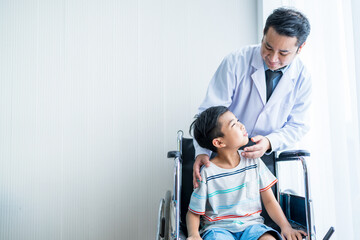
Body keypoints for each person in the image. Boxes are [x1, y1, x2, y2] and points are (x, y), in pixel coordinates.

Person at [193, 7, 312, 188]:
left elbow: (298, 125)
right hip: (224, 152)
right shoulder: (236, 61)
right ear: (263, 34)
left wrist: (270, 142)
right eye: (268, 47)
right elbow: (209, 112)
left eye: (283, 53)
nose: (272, 58)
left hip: (264, 157)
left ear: (300, 48)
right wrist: (202, 152)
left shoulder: (303, 78)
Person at [187, 106, 306, 240]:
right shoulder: (208, 172)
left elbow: (269, 201)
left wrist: (286, 226)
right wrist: (194, 235)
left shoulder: (253, 162)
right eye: (234, 124)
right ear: (219, 142)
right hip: (218, 229)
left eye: (238, 120)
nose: (242, 125)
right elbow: (194, 212)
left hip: (253, 227)